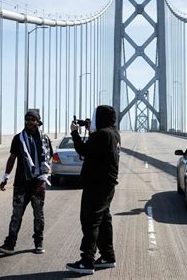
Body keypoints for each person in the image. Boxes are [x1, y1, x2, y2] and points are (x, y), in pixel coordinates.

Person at [66, 105, 121, 275]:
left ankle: (86, 262)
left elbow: (83, 150)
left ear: (101, 117)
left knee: (90, 220)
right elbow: (98, 151)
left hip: (96, 185)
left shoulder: (101, 135)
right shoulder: (113, 134)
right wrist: (92, 131)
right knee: (104, 220)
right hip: (107, 185)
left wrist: (74, 132)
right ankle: (107, 257)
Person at [0, 110, 53, 255]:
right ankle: (10, 244)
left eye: (33, 119)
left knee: (38, 215)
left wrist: (43, 179)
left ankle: (38, 243)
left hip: (38, 184)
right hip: (21, 183)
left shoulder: (45, 139)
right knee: (16, 215)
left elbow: (47, 160)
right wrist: (5, 177)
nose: (29, 122)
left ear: (38, 122)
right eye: (27, 119)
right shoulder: (18, 139)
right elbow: (12, 158)